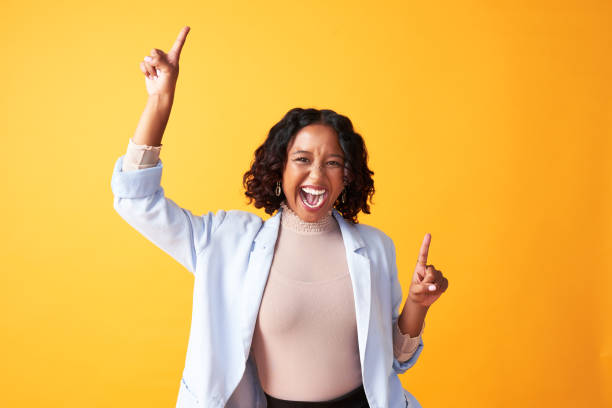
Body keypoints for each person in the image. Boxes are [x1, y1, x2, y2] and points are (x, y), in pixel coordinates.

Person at [111, 26, 449, 408]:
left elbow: (393, 361)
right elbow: (136, 202)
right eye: (302, 160)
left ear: (348, 175)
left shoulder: (375, 247)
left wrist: (418, 305)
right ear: (280, 169)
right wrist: (159, 103)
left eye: (333, 163)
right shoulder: (226, 241)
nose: (317, 176)